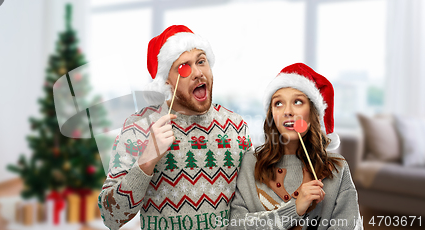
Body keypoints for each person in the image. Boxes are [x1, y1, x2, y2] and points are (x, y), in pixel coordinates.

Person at [98, 25, 253, 230]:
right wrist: (146, 162)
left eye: (201, 61)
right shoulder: (138, 127)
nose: (198, 73)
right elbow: (111, 218)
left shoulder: (236, 126)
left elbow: (250, 206)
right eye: (184, 67)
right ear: (166, 81)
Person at [229, 63, 363, 230]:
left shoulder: (337, 168)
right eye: (278, 103)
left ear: (313, 111)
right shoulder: (251, 163)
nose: (288, 111)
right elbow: (236, 225)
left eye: (298, 102)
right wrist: (294, 209)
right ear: (272, 114)